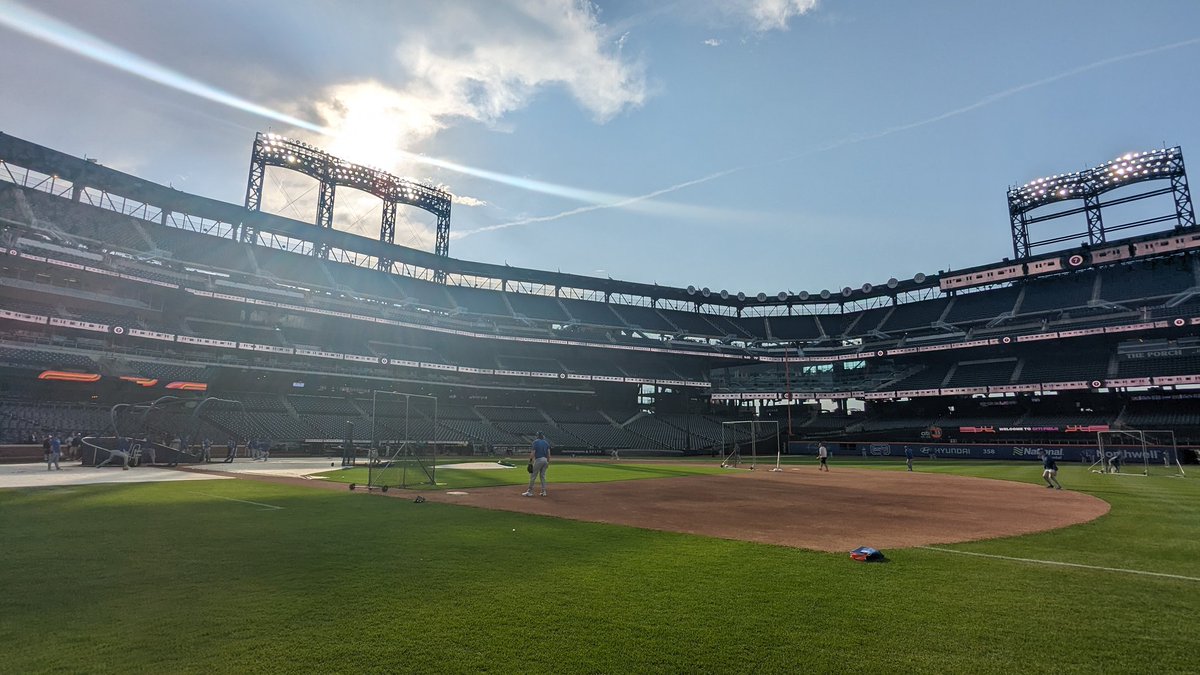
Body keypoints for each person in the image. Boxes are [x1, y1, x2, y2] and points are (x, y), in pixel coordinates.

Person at [522, 431, 551, 497]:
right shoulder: (546, 443)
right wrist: (547, 462)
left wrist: (530, 461)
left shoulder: (535, 442)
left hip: (539, 460)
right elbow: (549, 454)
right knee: (543, 476)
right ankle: (544, 492)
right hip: (545, 460)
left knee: (533, 476)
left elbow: (533, 452)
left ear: (537, 436)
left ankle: (529, 491)